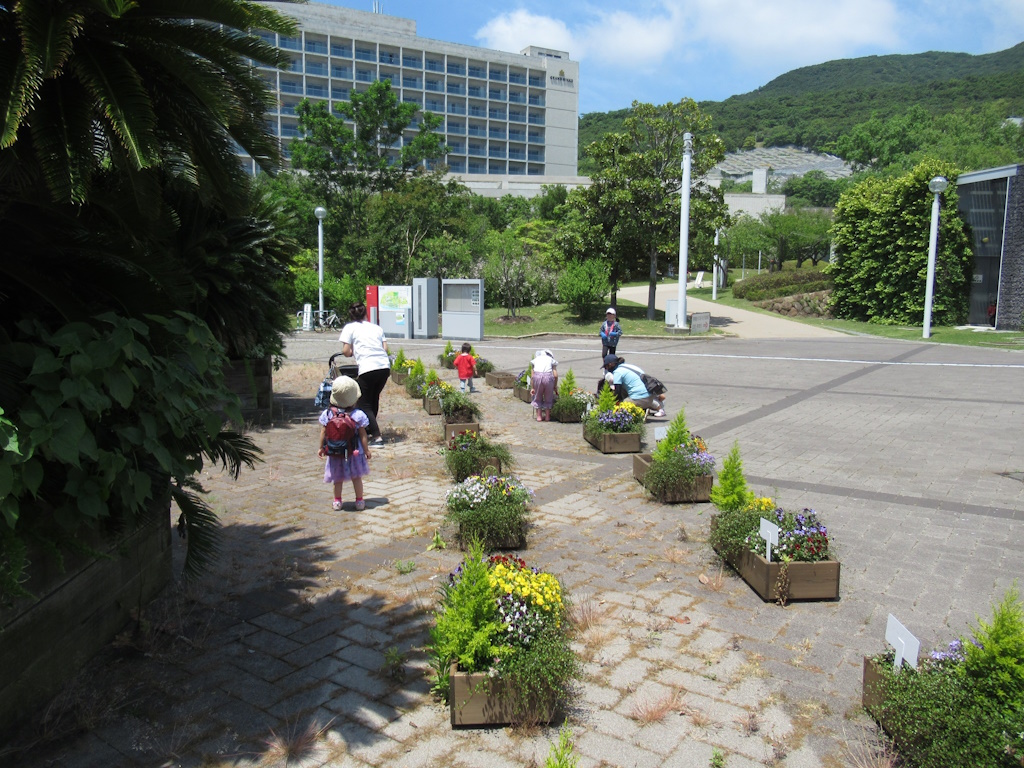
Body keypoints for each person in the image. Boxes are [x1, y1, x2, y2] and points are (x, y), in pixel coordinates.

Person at [339, 301, 390, 448]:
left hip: (368, 367)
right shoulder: (376, 328)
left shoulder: (350, 328)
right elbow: (384, 348)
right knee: (373, 399)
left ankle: (377, 437)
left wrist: (356, 351)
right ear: (366, 313)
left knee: (363, 403)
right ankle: (367, 429)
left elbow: (346, 351)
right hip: (384, 367)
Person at [317, 376, 371, 511]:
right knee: (356, 477)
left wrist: (321, 448)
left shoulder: (328, 414)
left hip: (335, 451)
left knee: (337, 478)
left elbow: (323, 433)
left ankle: (337, 501)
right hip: (355, 451)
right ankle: (359, 501)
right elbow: (363, 434)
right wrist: (367, 450)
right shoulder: (357, 414)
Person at [530, 349, 558, 422]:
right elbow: (555, 375)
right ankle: (547, 417)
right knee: (548, 396)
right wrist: (554, 386)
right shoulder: (551, 360)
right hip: (548, 377)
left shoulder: (535, 360)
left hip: (537, 377)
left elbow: (532, 376)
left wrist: (533, 388)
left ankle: (539, 416)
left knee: (537, 396)